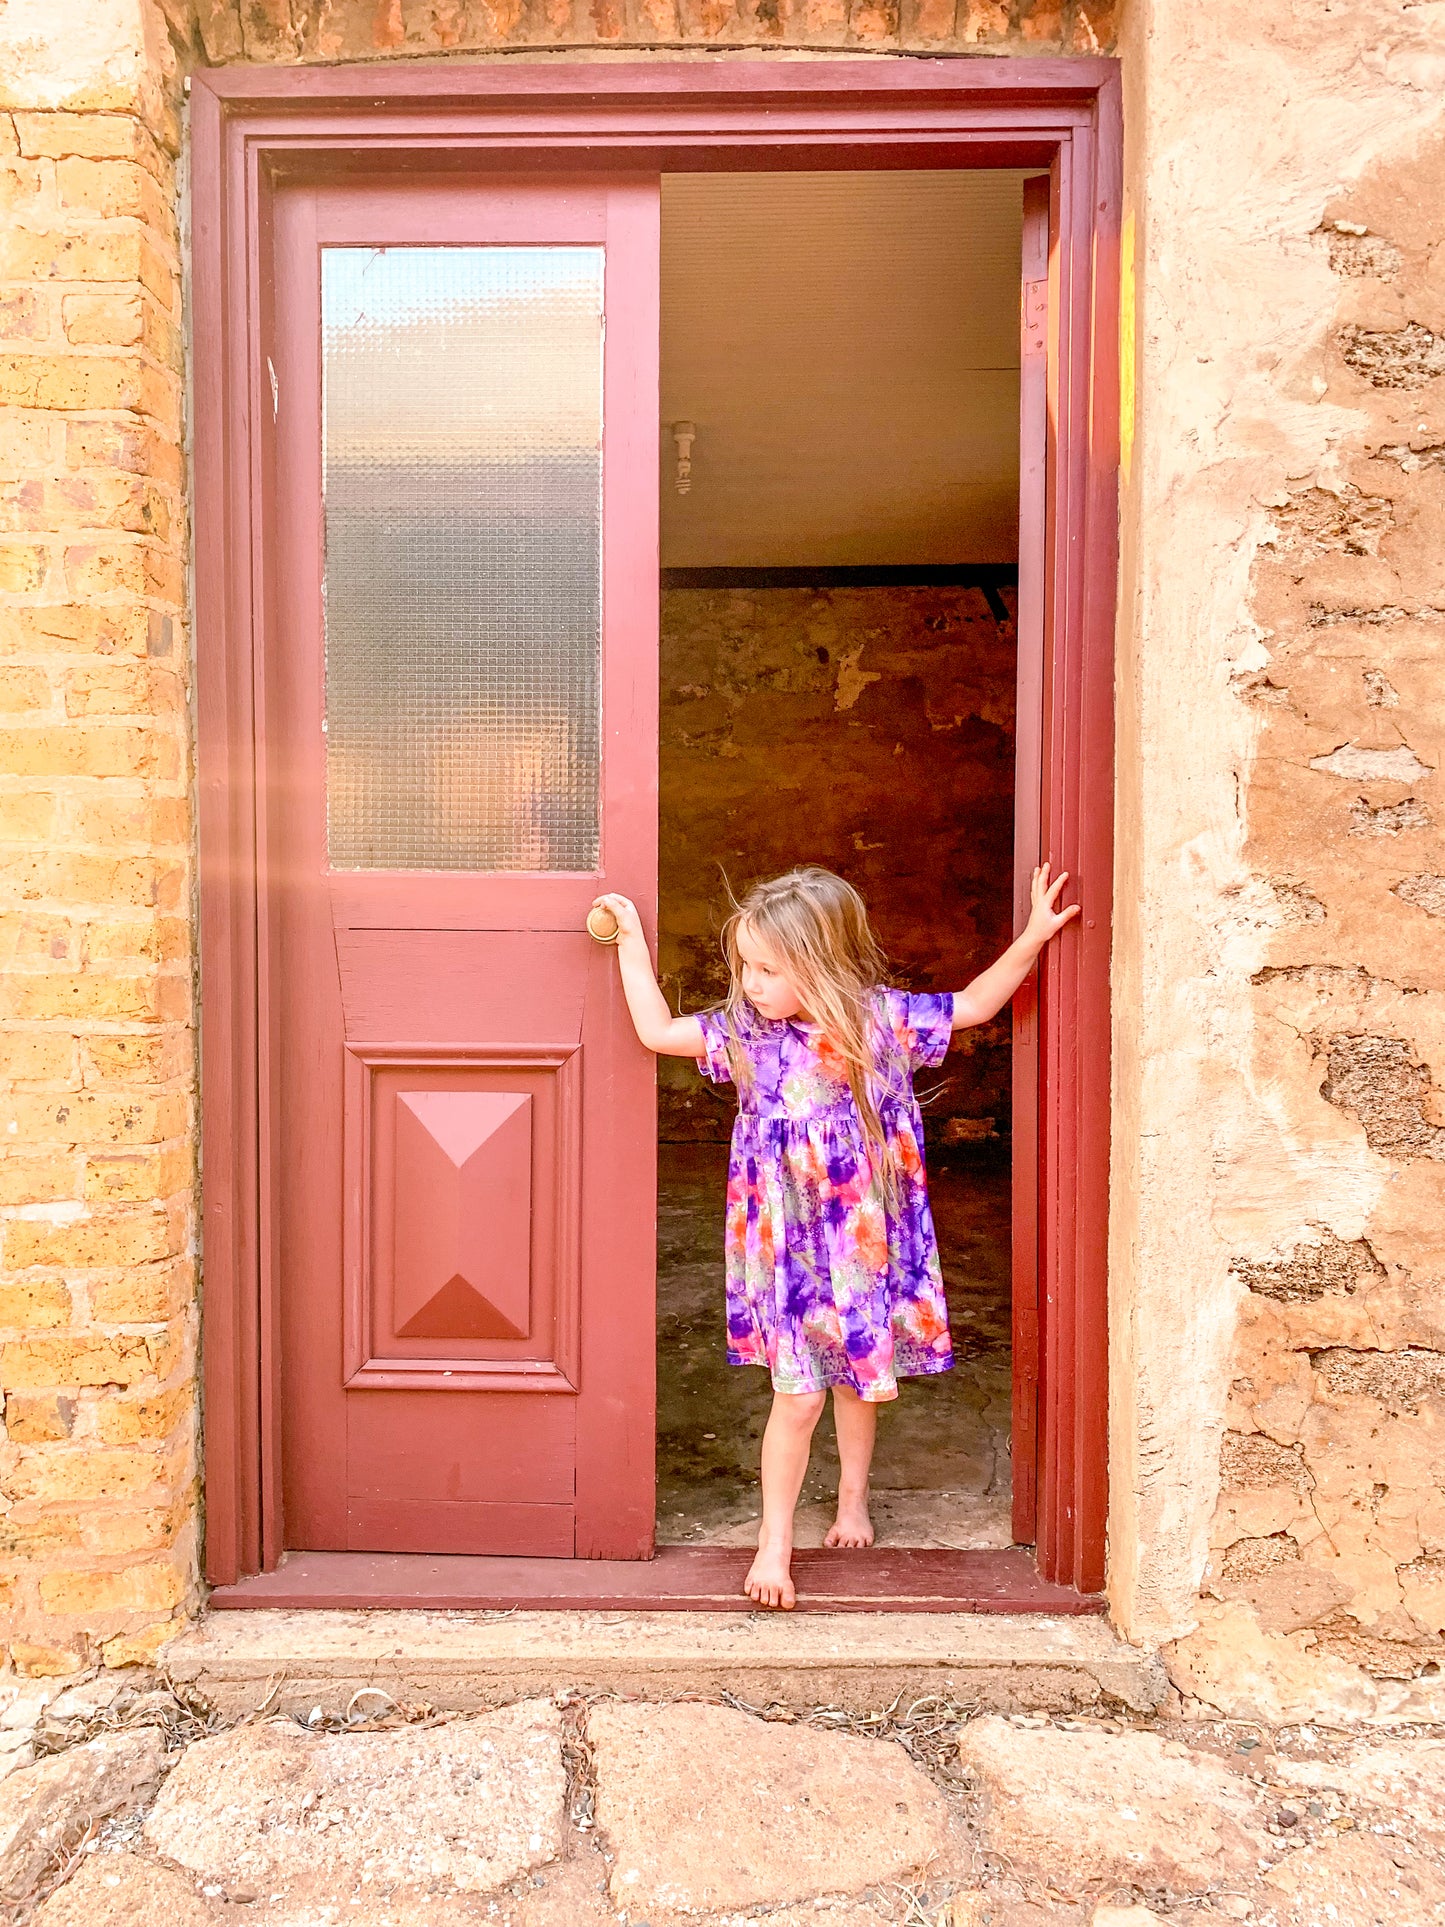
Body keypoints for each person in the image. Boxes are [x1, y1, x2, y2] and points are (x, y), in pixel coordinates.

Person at [591, 863, 1078, 1610]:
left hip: (858, 1242)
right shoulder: (746, 1035)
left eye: (765, 968)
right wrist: (628, 941)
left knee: (859, 1376)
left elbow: (976, 1004)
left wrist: (1034, 936)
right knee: (798, 1396)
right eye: (745, 965)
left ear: (817, 963)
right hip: (786, 1249)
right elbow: (656, 1031)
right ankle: (773, 1543)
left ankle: (853, 1498)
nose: (749, 982)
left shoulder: (875, 1021)